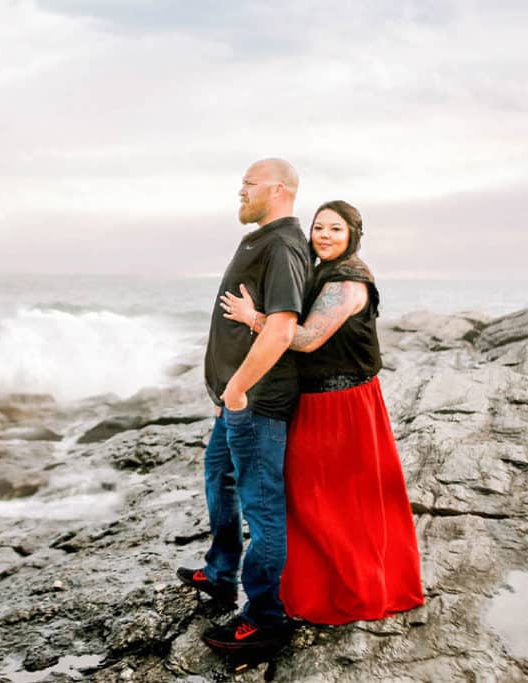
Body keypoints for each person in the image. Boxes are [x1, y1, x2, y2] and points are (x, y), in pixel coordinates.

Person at [218, 200, 424, 626]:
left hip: (341, 406)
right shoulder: (323, 272)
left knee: (328, 502)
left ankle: (352, 591)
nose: (325, 236)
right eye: (318, 228)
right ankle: (325, 586)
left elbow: (309, 338)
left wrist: (253, 317)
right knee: (322, 501)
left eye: (335, 229)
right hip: (324, 401)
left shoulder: (347, 283)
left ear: (352, 235)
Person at [176, 159, 311, 650]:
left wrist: (237, 391)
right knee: (218, 475)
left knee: (262, 505)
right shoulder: (261, 237)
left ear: (277, 190)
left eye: (249, 184)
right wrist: (225, 395)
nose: (240, 191)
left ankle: (266, 617)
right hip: (235, 402)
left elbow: (280, 329)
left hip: (256, 402)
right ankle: (219, 575)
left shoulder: (283, 245)